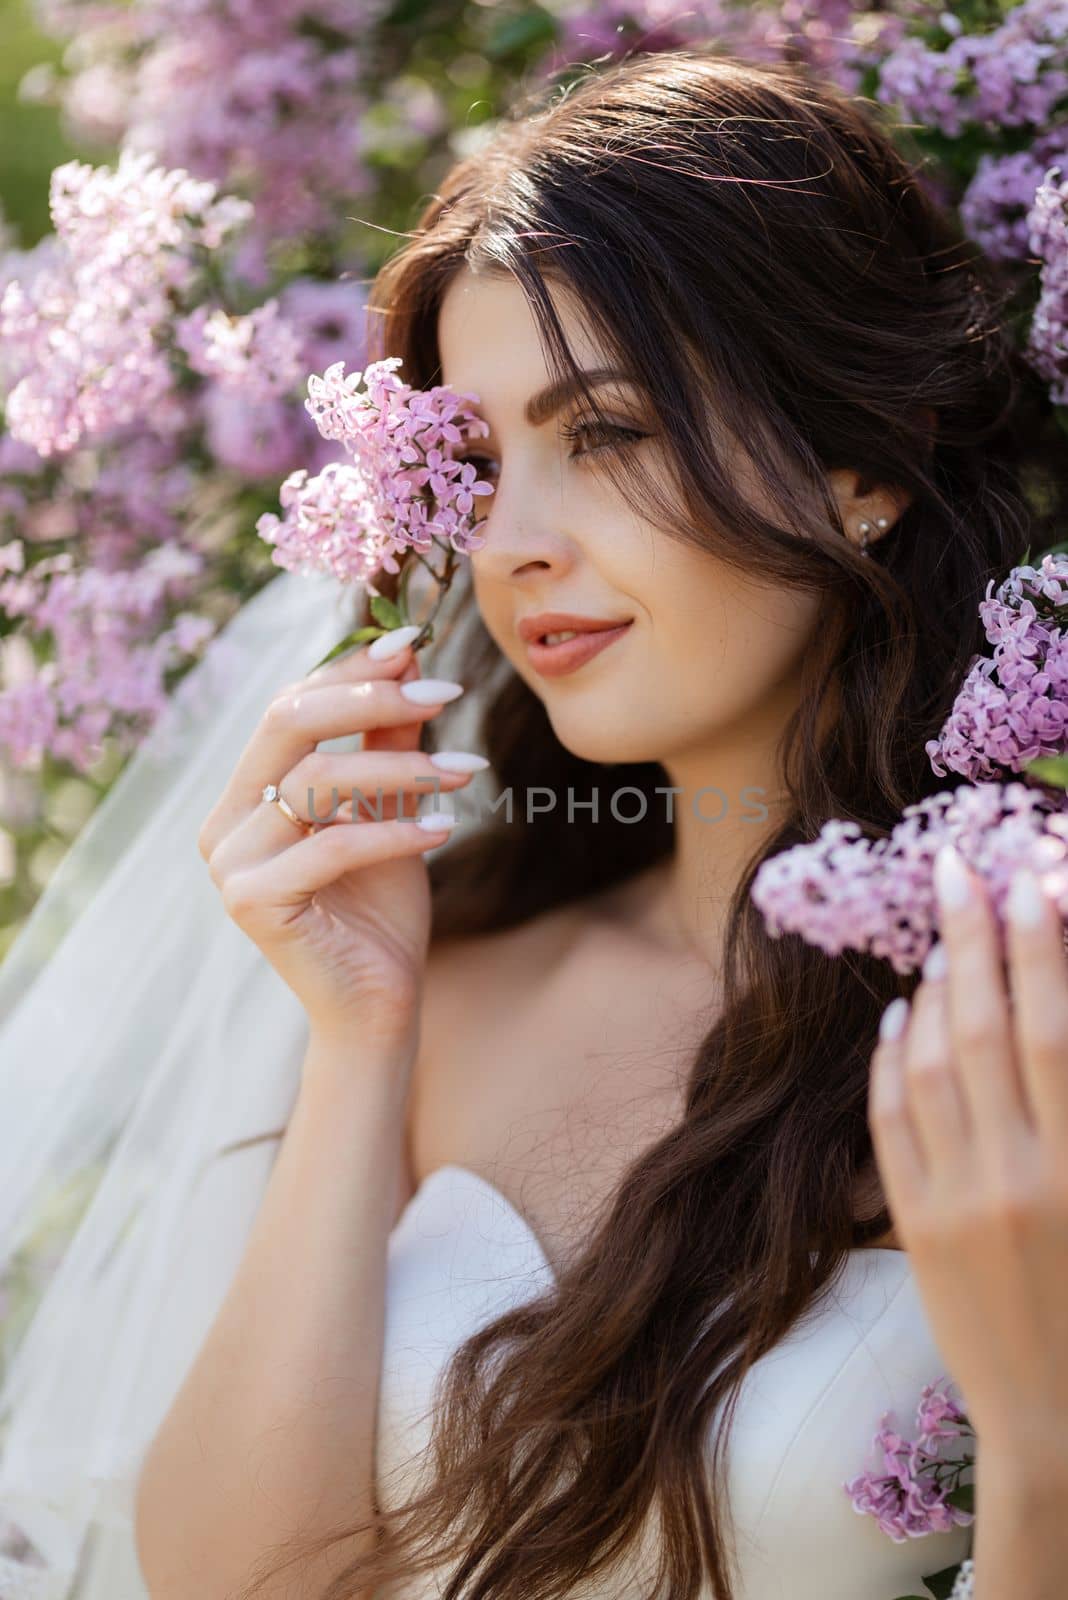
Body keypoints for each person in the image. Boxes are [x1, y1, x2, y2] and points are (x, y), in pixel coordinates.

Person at [3, 46, 1067, 1600]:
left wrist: (1039, 1449)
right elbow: (244, 1583)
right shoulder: (451, 983)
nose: (511, 547)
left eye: (612, 433)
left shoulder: (1024, 1009)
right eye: (480, 467)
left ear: (864, 461)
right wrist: (362, 1037)